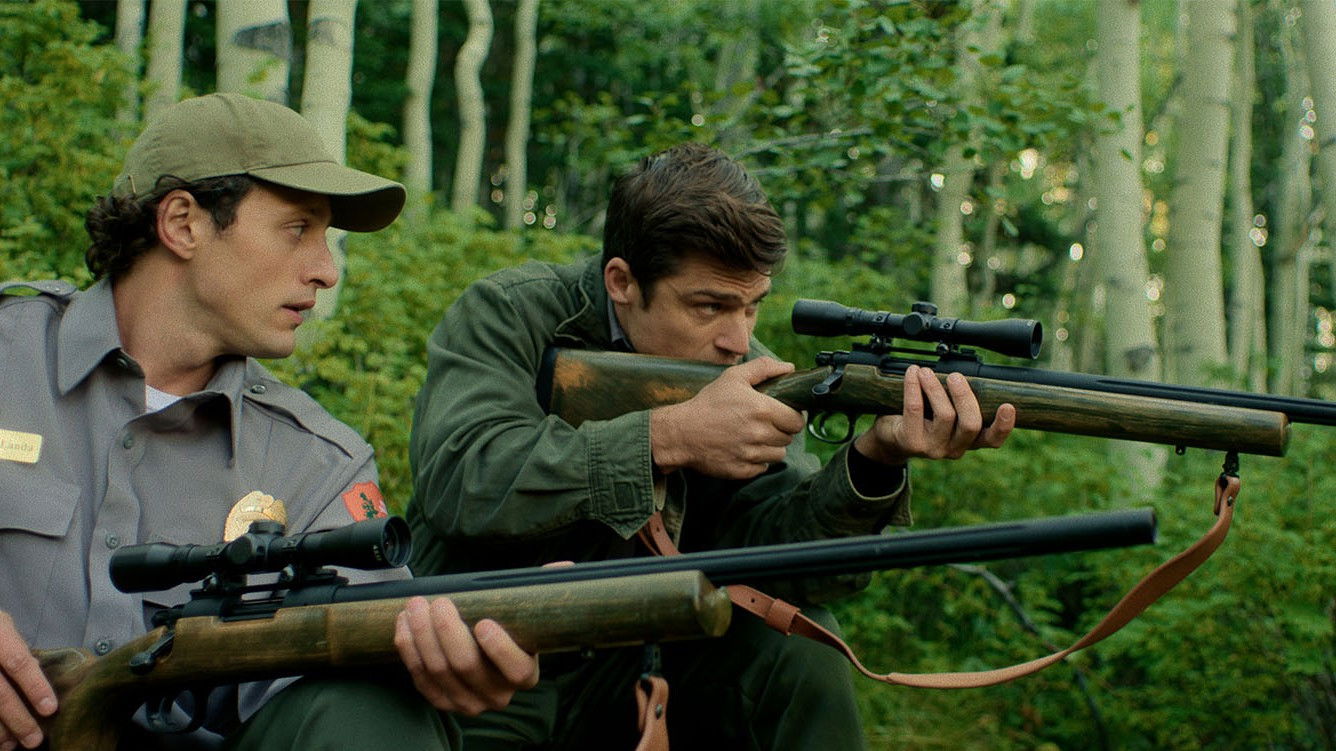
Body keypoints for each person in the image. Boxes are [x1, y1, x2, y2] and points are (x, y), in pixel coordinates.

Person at [406, 142, 1015, 749]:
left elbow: (786, 565)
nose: (738, 341)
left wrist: (873, 462)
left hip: (637, 663)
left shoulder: (741, 368)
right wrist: (668, 437)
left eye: (752, 308)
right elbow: (462, 479)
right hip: (476, 652)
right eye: (710, 306)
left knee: (801, 651)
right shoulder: (512, 313)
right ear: (622, 281)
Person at [0, 93, 537, 751]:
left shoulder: (318, 464)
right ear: (183, 223)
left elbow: (372, 660)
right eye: (297, 229)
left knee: (372, 706)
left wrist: (449, 658)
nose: (326, 271)